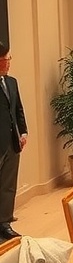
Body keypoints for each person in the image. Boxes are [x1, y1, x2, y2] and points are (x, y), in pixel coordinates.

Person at [0, 45, 27, 240]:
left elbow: (18, 110)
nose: (8, 63)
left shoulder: (11, 82)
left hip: (11, 142)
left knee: (8, 185)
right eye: (5, 60)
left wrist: (23, 132)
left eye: (9, 59)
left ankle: (5, 223)